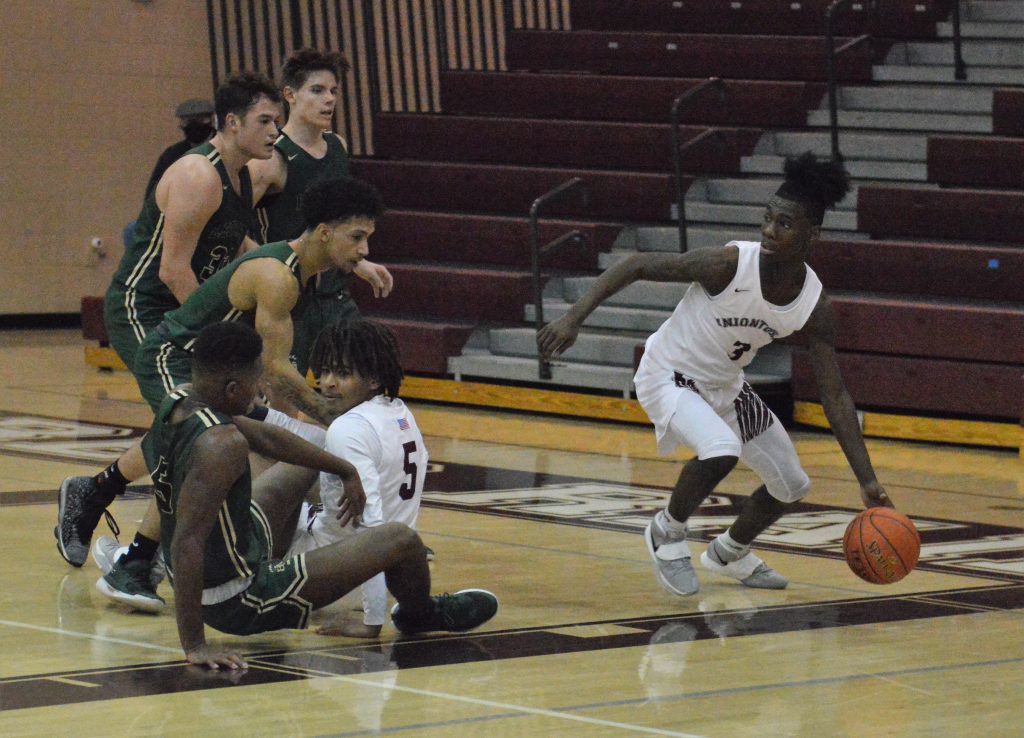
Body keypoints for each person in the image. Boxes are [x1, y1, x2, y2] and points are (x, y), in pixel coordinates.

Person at [537, 153, 893, 596]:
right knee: (721, 449)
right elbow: (637, 264)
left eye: (784, 224)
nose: (769, 230)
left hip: (726, 386)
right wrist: (572, 318)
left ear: (812, 234)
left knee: (791, 484)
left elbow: (835, 396)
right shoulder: (727, 265)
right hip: (669, 374)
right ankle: (666, 531)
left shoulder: (814, 305)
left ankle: (729, 552)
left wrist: (867, 479)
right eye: (767, 218)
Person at [68, 176, 386, 611]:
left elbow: (278, 372)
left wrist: (296, 423)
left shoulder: (309, 273)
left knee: (254, 449)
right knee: (203, 444)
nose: (365, 249)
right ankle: (135, 564)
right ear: (326, 233)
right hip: (177, 356)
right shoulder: (278, 276)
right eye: (358, 237)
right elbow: (276, 369)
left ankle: (99, 494)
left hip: (224, 370)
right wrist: (334, 416)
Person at [145, 321, 497, 669]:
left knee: (300, 465)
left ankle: (275, 558)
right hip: (235, 597)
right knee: (401, 539)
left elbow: (268, 438)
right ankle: (421, 614)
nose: (261, 387)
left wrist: (343, 468)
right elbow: (187, 543)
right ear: (234, 388)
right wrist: (195, 644)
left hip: (219, 557)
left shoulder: (181, 398)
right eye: (257, 380)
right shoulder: (222, 445)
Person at [55, 72, 283, 573]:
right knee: (192, 425)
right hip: (143, 309)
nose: (274, 131)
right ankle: (142, 557)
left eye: (277, 121)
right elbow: (173, 270)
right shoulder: (198, 174)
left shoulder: (241, 173)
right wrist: (217, 340)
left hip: (183, 313)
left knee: (195, 421)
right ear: (231, 121)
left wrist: (282, 265)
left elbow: (239, 246)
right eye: (265, 121)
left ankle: (96, 496)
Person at [250, 48, 392, 378]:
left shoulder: (337, 146)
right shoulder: (271, 159)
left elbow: (339, 224)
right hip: (289, 297)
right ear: (290, 95)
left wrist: (358, 262)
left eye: (333, 91)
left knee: (365, 378)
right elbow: (234, 224)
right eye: (317, 90)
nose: (329, 99)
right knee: (286, 394)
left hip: (332, 291)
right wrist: (263, 271)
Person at [289, 319, 428, 638]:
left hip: (332, 578)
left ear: (374, 379)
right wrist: (259, 416)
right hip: (386, 576)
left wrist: (372, 621)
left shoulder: (347, 428)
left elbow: (372, 530)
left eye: (342, 373)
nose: (327, 383)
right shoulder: (399, 412)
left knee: (261, 464)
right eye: (324, 371)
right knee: (292, 451)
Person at [143, 98, 217, 199]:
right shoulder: (172, 155)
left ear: (212, 121)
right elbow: (154, 196)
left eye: (200, 119)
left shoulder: (227, 149)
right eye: (187, 121)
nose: (194, 125)